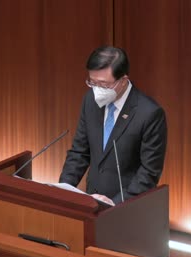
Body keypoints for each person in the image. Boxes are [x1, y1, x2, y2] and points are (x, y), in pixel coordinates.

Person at [59, 46, 167, 206]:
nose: (97, 90)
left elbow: (149, 173)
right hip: (92, 202)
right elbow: (80, 152)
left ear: (123, 81)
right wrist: (63, 190)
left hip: (127, 208)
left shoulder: (149, 113)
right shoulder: (90, 100)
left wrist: (115, 203)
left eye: (103, 85)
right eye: (92, 82)